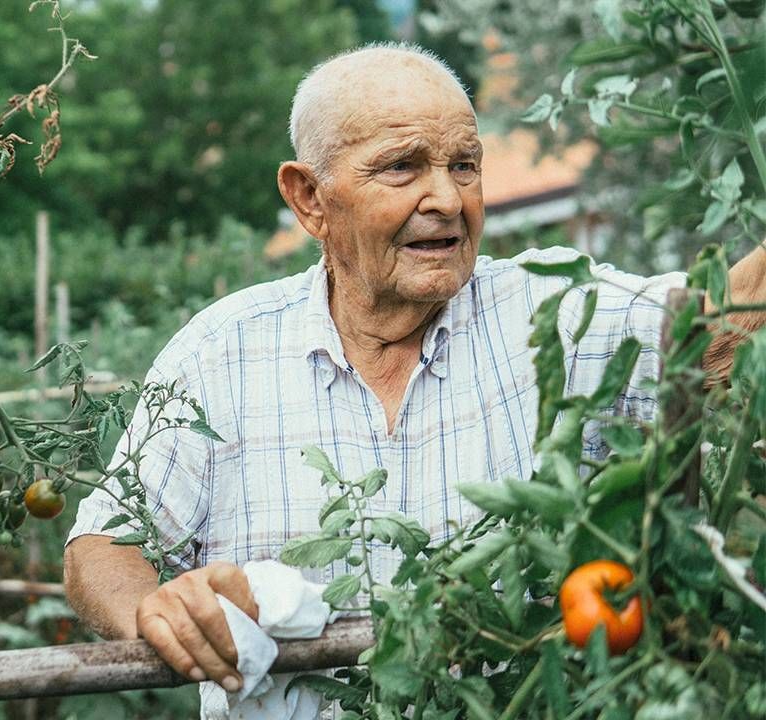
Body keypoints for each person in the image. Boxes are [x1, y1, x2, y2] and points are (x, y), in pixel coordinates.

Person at [62, 41, 765, 704]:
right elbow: (105, 543)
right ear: (310, 198)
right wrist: (153, 608)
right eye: (402, 167)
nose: (449, 199)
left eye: (464, 165)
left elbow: (721, 334)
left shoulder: (551, 309)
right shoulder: (222, 353)